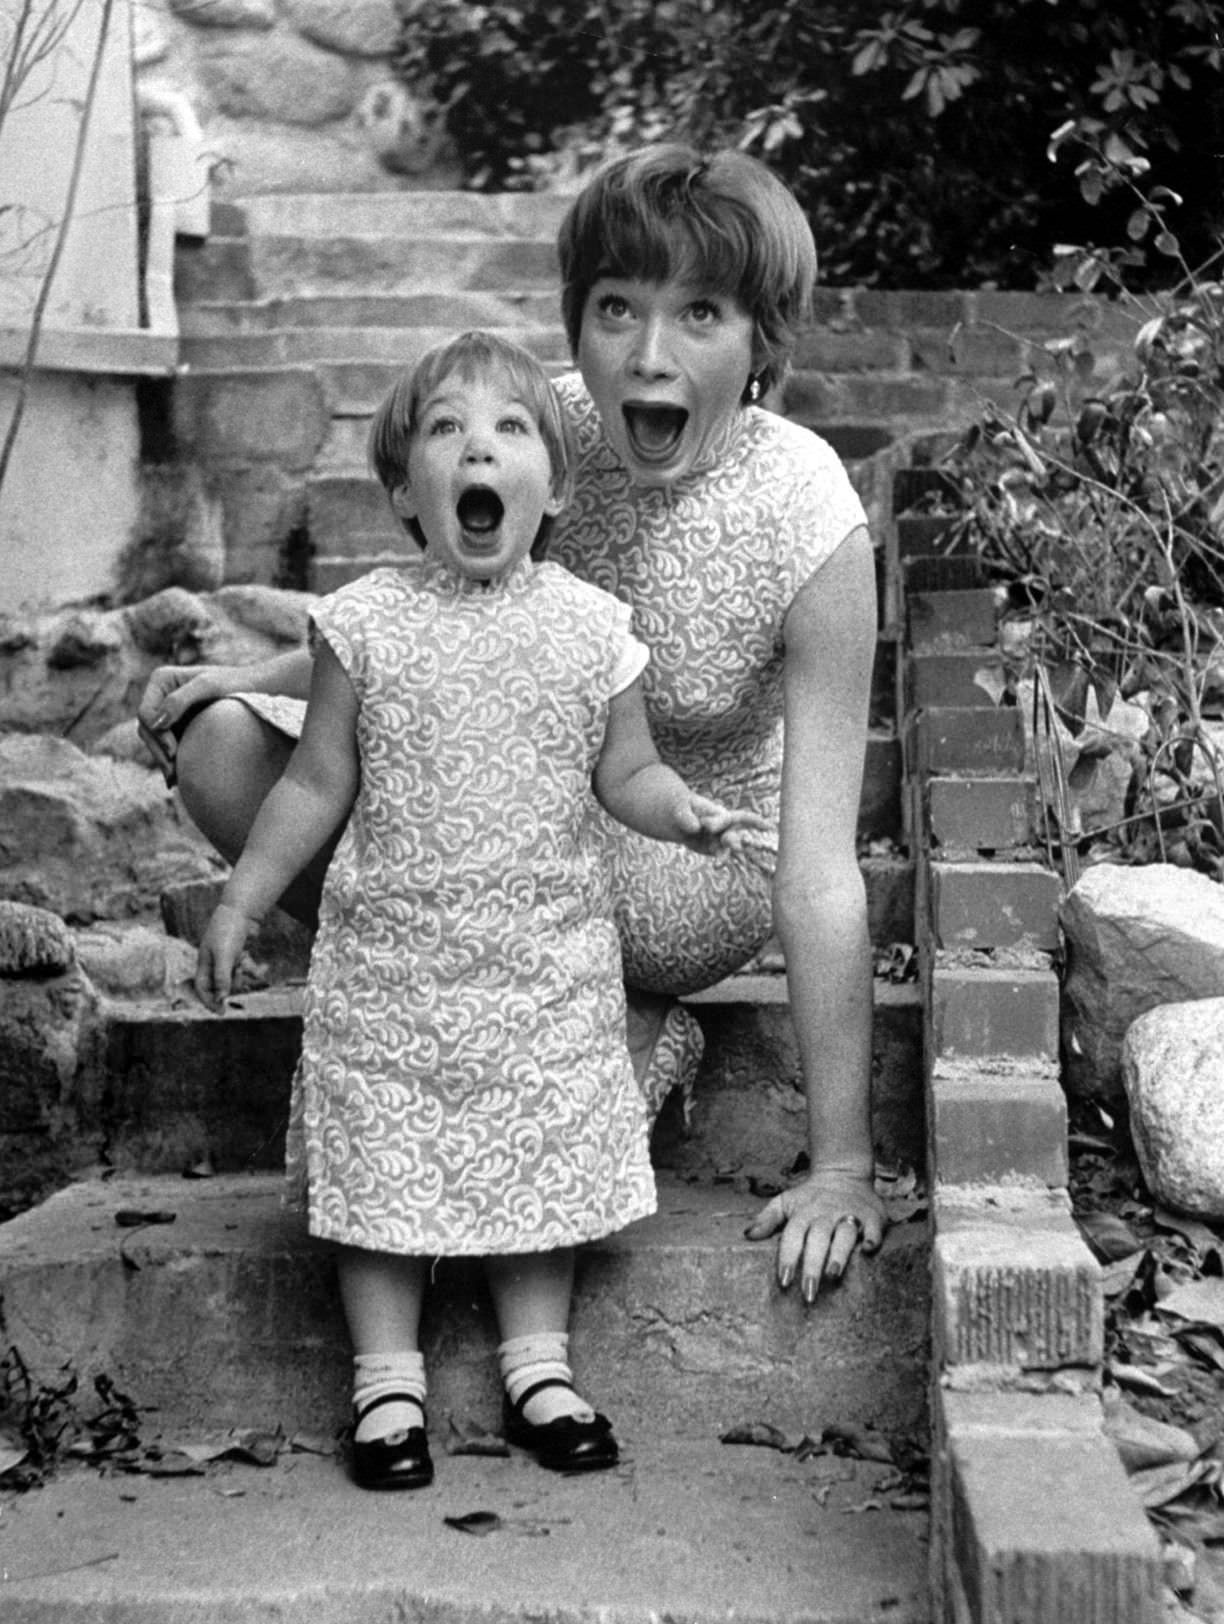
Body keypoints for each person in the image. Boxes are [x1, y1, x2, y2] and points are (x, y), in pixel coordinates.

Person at [138, 142, 888, 1313]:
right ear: (574, 318)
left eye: (699, 313)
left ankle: (615, 1017)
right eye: (614, 310)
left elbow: (821, 872)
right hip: (514, 818)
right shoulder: (546, 430)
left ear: (761, 344)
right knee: (228, 747)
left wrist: (842, 1163)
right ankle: (516, 1029)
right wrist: (253, 670)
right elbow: (424, 614)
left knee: (494, 826)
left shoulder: (808, 519)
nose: (649, 354)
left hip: (680, 855)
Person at [194, 329, 763, 1491]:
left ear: (551, 487)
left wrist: (681, 814)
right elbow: (314, 778)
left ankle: (538, 1368)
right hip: (393, 964)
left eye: (509, 431)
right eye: (445, 431)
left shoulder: (590, 629)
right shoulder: (365, 623)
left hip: (539, 961)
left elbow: (625, 775)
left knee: (539, 1157)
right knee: (381, 1160)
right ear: (406, 488)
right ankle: (385, 1381)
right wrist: (245, 895)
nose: (478, 449)